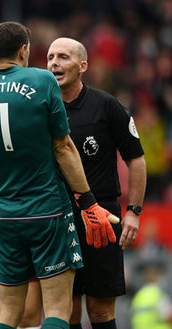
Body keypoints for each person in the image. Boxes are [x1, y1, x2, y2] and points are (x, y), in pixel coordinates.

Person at [0, 21, 119, 329]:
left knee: (7, 312)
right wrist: (89, 203)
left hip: (2, 214)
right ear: (23, 50)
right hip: (47, 209)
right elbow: (64, 148)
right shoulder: (42, 80)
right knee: (57, 309)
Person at [45, 37, 147, 329]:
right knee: (67, 310)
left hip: (101, 216)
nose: (54, 63)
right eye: (51, 57)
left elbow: (136, 159)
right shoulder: (40, 108)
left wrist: (134, 211)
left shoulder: (107, 105)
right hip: (55, 217)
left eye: (63, 57)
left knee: (100, 310)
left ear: (82, 66)